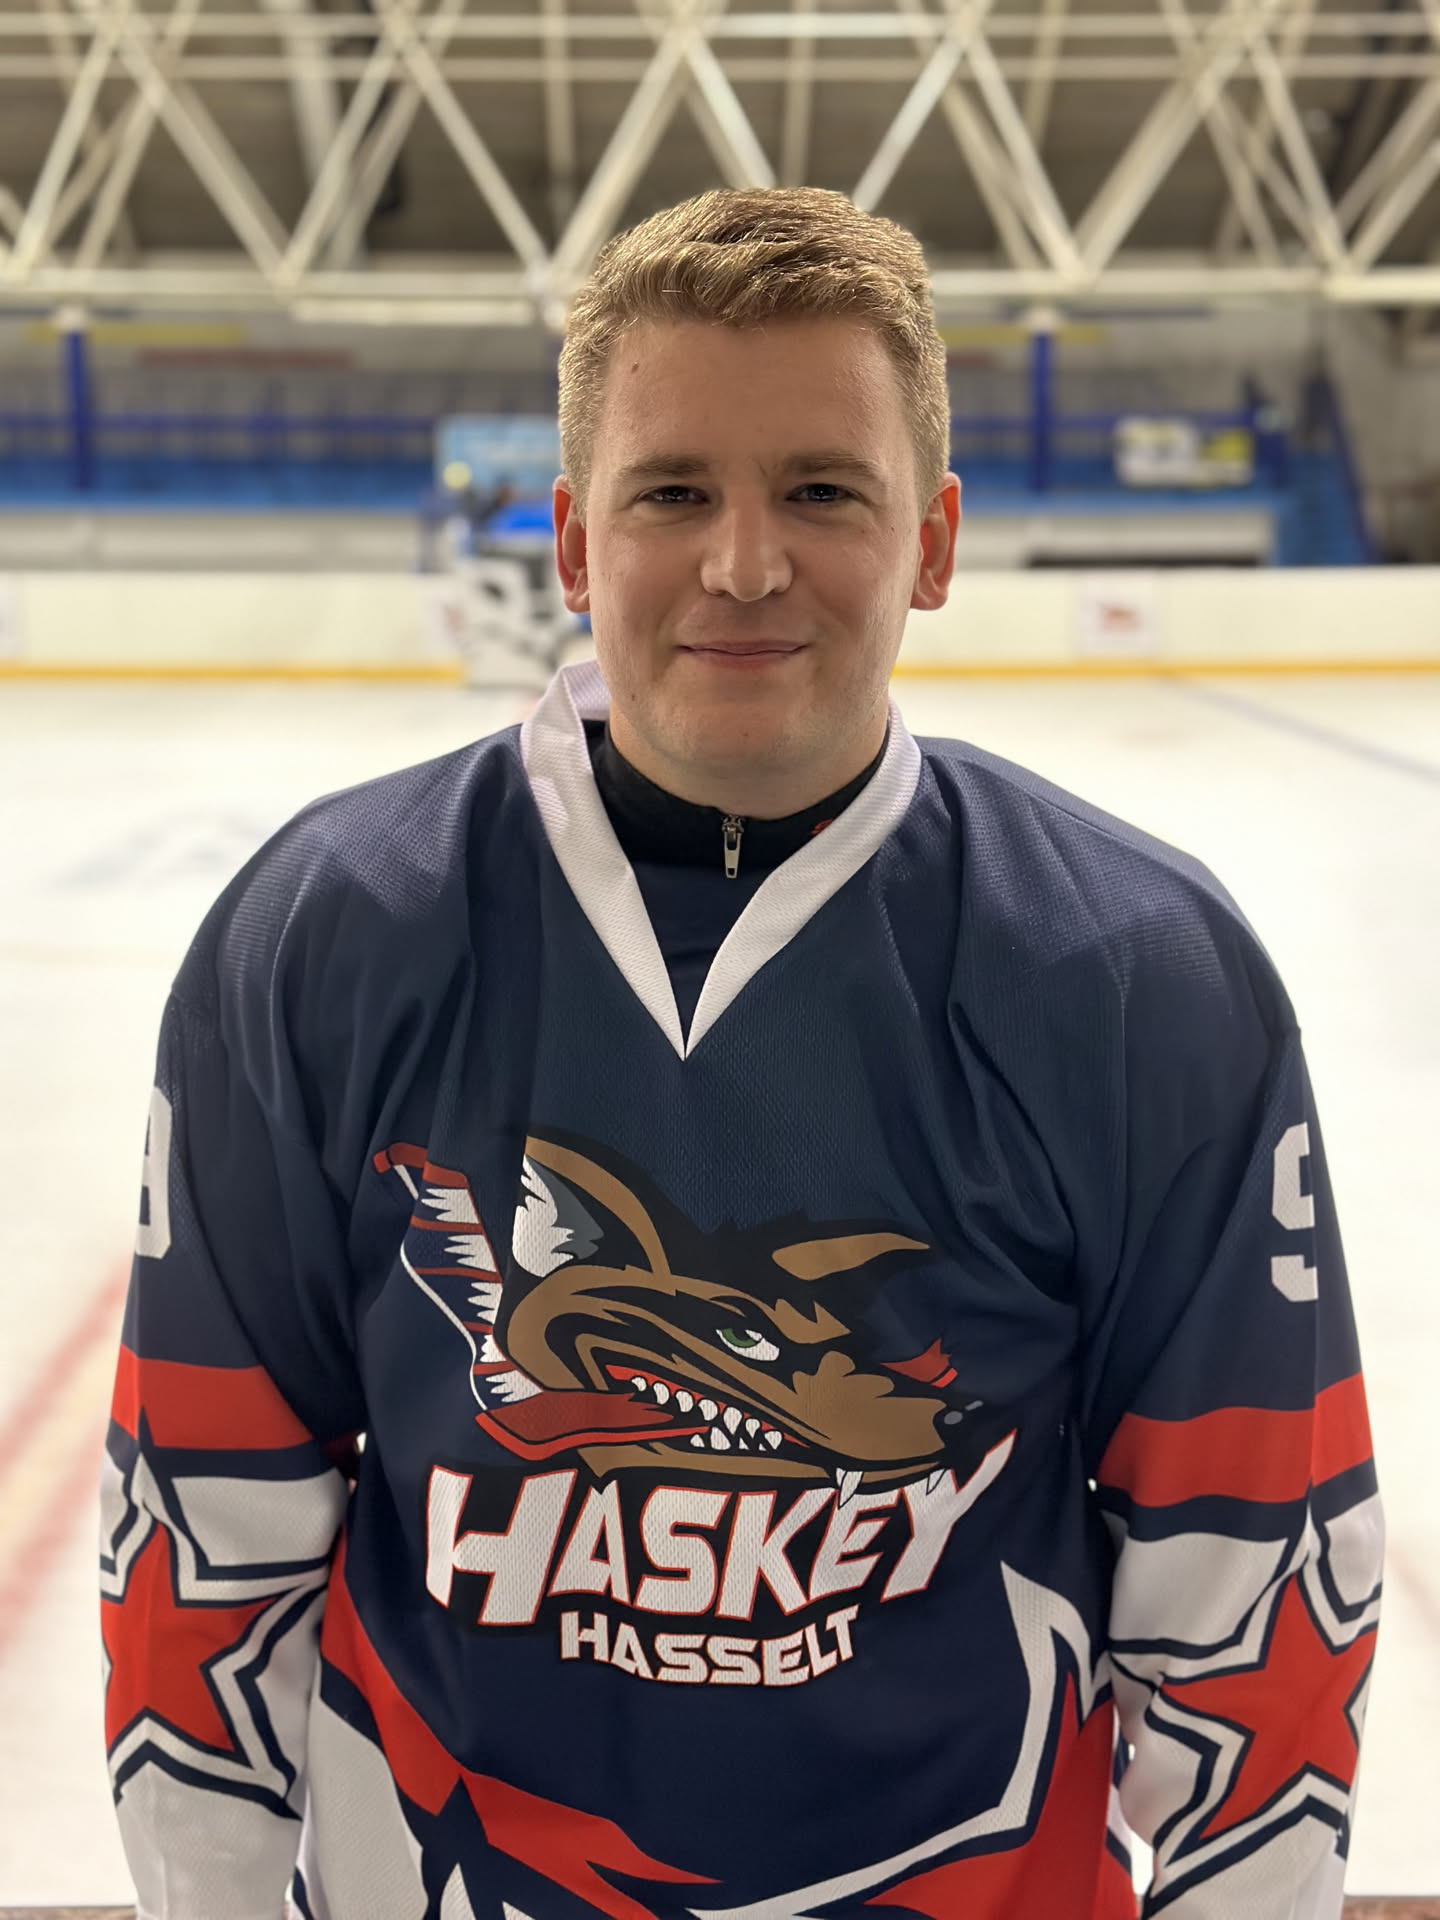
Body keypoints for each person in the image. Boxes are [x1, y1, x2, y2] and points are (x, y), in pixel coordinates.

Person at [101, 188, 1382, 1920]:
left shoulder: (1136, 975)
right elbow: (204, 1539)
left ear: (933, 541)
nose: (745, 564)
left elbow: (1253, 1598)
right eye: (675, 493)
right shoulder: (325, 939)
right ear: (574, 544)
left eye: (823, 492)